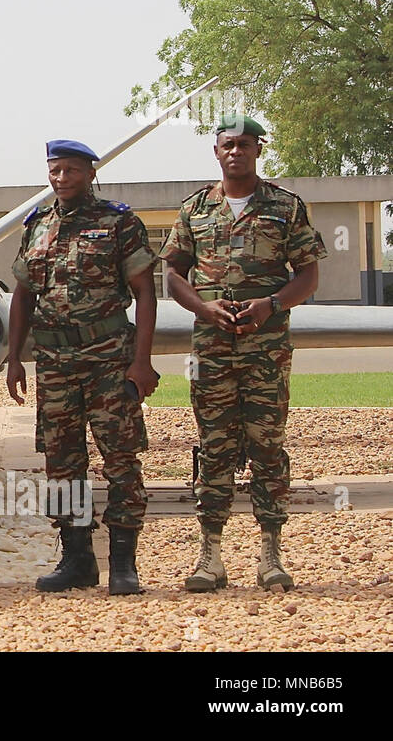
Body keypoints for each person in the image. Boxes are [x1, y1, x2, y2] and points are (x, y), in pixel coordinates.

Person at [161, 114, 326, 592]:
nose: (236, 152)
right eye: (227, 145)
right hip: (211, 349)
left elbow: (308, 275)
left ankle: (270, 554)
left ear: (258, 150)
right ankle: (209, 556)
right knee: (214, 447)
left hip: (266, 351)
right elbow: (172, 273)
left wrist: (271, 304)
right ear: (217, 152)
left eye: (245, 145)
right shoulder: (195, 209)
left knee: (267, 447)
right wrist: (204, 309)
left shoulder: (285, 207)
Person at [6, 140, 159, 595]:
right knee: (61, 463)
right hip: (54, 363)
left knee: (120, 458)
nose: (61, 178)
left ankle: (124, 564)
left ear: (91, 174)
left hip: (108, 359)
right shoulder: (37, 226)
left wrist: (142, 361)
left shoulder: (118, 222)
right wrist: (14, 358)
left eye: (71, 170)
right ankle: (76, 559)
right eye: (55, 170)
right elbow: (23, 295)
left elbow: (145, 293)